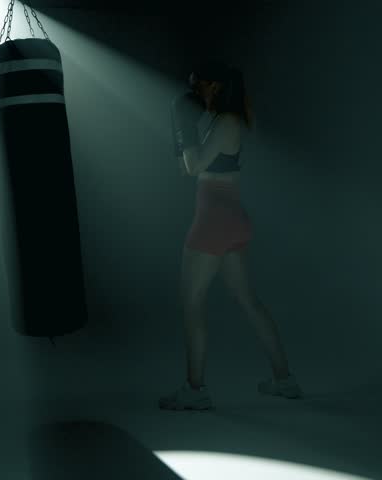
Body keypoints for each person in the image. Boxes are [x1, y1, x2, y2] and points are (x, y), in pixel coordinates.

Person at [160, 61, 303, 411]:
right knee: (247, 300)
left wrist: (182, 123)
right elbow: (184, 167)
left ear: (216, 87)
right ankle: (284, 381)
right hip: (230, 217)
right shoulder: (224, 121)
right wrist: (181, 129)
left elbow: (193, 168)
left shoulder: (226, 122)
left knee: (191, 304)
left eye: (201, 86)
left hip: (214, 219)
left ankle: (195, 390)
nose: (197, 93)